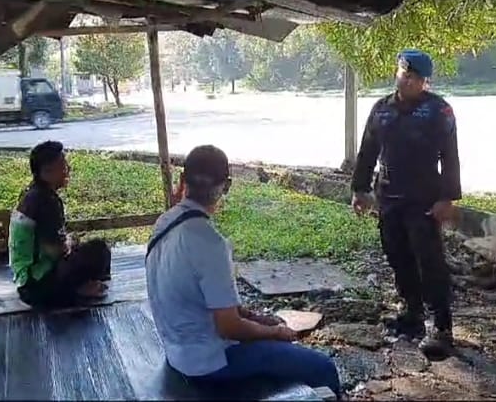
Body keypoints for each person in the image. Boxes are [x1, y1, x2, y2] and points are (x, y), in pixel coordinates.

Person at [145, 144, 341, 397]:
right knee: (323, 368)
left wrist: (257, 319)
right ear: (226, 186)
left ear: (183, 180)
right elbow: (229, 327)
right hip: (207, 362)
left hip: (177, 352)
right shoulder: (210, 243)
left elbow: (215, 303)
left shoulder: (164, 222)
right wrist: (275, 332)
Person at [350, 49, 461, 358]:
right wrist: (360, 189)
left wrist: (447, 198)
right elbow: (367, 151)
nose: (409, 81)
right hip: (389, 196)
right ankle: (412, 313)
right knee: (397, 256)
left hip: (424, 199)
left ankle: (442, 327)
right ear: (397, 73)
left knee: (430, 261)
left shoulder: (439, 111)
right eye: (406, 75)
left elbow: (450, 157)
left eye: (417, 78)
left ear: (426, 82)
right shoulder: (381, 109)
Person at [8, 140, 111, 308]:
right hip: (37, 287)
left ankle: (83, 285)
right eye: (63, 165)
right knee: (99, 250)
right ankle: (79, 287)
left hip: (27, 284)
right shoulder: (45, 201)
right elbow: (56, 250)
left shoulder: (32, 193)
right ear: (47, 171)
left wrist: (69, 242)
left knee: (81, 247)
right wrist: (70, 242)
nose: (68, 169)